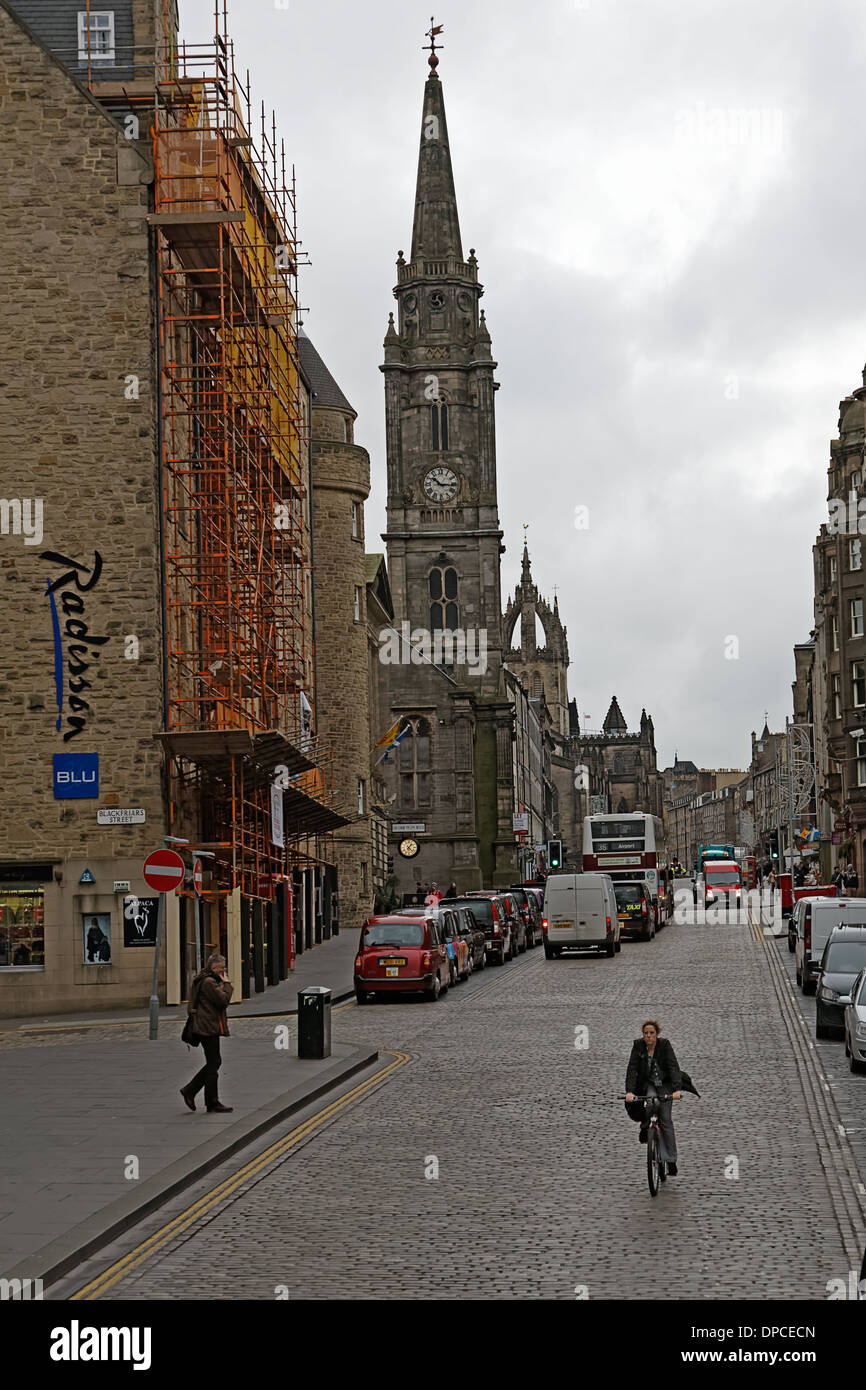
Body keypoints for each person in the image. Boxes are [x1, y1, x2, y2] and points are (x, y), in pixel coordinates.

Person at [625, 1020, 683, 1175]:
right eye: (646, 1033)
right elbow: (632, 1069)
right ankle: (646, 1126)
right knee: (650, 1102)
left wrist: (677, 1090)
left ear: (657, 1034)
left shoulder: (664, 1046)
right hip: (649, 1084)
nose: (648, 1036)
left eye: (651, 1033)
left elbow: (673, 1067)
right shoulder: (638, 1046)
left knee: (665, 1120)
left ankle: (670, 1160)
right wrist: (629, 1092)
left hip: (665, 1084)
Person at [180, 951, 233, 1114]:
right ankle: (195, 1092)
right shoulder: (209, 982)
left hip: (205, 1026)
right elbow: (223, 1001)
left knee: (214, 1062)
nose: (224, 970)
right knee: (214, 1062)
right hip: (207, 1027)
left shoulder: (204, 978)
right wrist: (227, 984)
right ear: (215, 967)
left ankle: (209, 1100)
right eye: (222, 967)